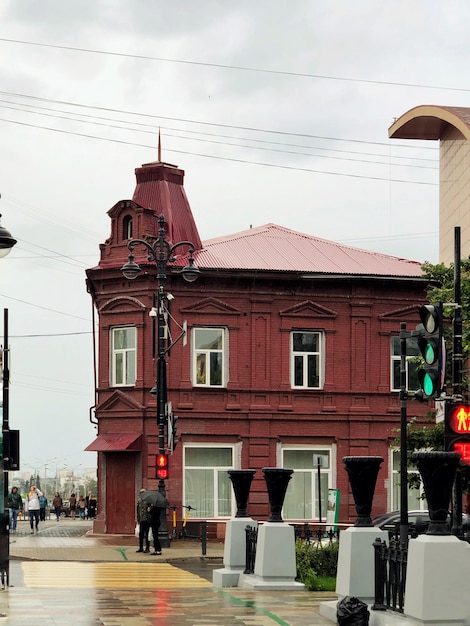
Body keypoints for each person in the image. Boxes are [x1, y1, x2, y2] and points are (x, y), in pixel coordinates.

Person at [136, 489, 151, 553]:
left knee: (147, 534)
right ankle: (141, 547)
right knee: (141, 534)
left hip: (147, 520)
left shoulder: (148, 501)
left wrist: (150, 509)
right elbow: (138, 510)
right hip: (141, 519)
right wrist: (138, 519)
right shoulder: (139, 501)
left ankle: (147, 548)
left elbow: (151, 509)